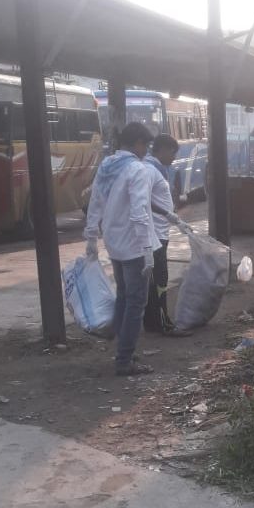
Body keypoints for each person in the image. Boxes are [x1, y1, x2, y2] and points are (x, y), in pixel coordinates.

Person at [84, 122, 160, 376]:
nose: (146, 151)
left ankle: (123, 348)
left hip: (114, 243)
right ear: (138, 143)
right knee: (136, 302)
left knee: (125, 297)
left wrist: (92, 237)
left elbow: (95, 201)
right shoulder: (137, 169)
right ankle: (124, 359)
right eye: (145, 145)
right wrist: (147, 248)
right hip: (134, 247)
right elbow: (139, 211)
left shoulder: (108, 165)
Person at [142, 133, 190, 336]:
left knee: (154, 280)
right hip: (155, 235)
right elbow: (143, 199)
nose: (173, 157)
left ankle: (152, 322)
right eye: (172, 152)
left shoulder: (156, 168)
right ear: (161, 149)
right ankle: (163, 324)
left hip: (159, 231)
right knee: (160, 279)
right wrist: (169, 214)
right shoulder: (149, 169)